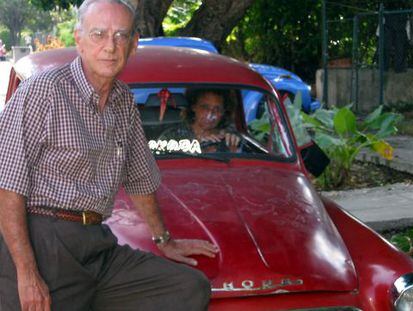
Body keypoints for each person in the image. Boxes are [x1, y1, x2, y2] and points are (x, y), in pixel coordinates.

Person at [0, 0, 218, 310]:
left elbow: (141, 178)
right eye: (98, 34)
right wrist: (26, 272)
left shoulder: (123, 101)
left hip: (98, 244)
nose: (110, 47)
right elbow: (7, 184)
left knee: (188, 288)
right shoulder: (44, 91)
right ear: (79, 40)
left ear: (133, 44)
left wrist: (163, 240)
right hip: (46, 241)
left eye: (120, 36)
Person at [160, 88, 241, 152]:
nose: (210, 114)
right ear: (193, 107)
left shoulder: (229, 137)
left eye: (217, 109)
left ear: (223, 112)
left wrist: (232, 151)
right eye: (205, 107)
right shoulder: (173, 136)